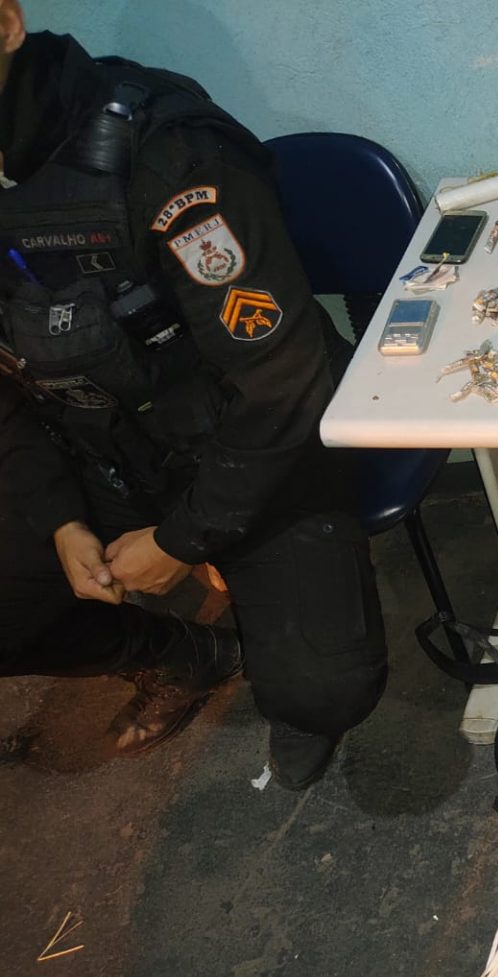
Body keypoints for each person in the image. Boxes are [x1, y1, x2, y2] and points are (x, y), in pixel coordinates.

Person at [0, 3, 387, 788]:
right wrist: (60, 518)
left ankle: (278, 657)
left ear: (5, 24)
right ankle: (182, 654)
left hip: (240, 440)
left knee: (323, 690)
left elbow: (283, 382)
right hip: (94, 444)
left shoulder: (165, 156)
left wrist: (181, 540)